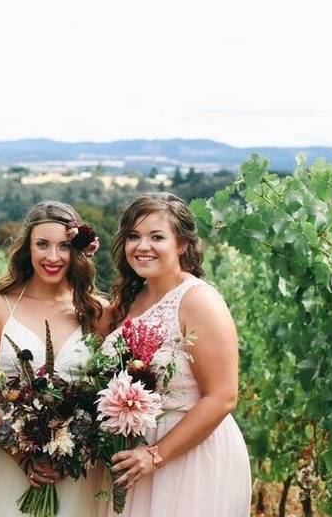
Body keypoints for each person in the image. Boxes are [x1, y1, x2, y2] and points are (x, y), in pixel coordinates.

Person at [102, 192, 251, 516]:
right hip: (132, 455)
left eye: (157, 236)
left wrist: (155, 454)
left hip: (189, 456)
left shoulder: (198, 300)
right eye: (134, 236)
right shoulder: (127, 300)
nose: (142, 246)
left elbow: (223, 396)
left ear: (182, 244)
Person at [0, 201, 108, 517]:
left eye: (63, 246)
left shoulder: (97, 312)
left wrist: (73, 449)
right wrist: (24, 457)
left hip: (75, 473)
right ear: (27, 247)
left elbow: (104, 393)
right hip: (9, 466)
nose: (53, 256)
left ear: (78, 251)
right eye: (42, 244)